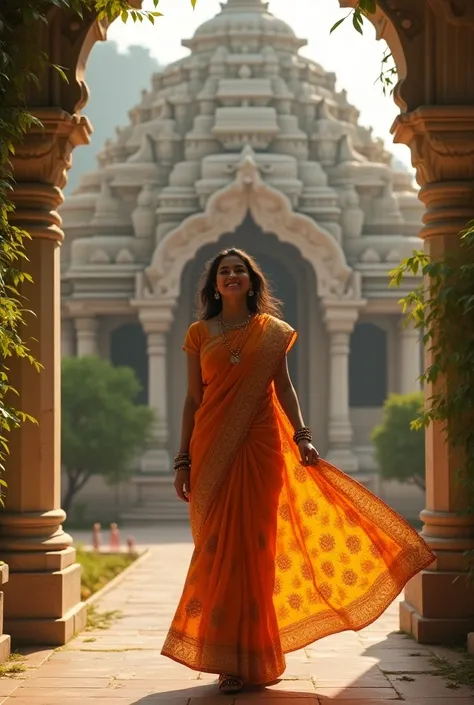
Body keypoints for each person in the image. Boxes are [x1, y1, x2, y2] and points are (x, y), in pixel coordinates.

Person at [161, 247, 434, 694]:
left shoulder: (272, 332)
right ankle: (226, 656)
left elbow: (283, 386)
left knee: (256, 549)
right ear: (214, 284)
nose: (231, 276)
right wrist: (182, 459)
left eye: (239, 271)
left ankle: (250, 659)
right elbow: (194, 400)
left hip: (265, 443)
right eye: (224, 271)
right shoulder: (198, 333)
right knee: (217, 549)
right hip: (212, 448)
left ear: (252, 281)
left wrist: (303, 435)